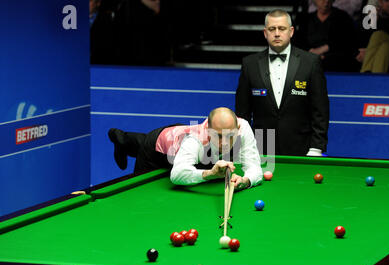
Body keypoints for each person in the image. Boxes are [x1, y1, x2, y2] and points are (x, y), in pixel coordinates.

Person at [235, 9, 330, 156]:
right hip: (260, 147)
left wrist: (316, 147)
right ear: (265, 33)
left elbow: (320, 110)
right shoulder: (250, 64)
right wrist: (242, 148)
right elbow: (242, 113)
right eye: (272, 29)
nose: (277, 33)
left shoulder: (310, 62)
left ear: (291, 31)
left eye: (282, 28)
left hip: (302, 147)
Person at [108, 107, 263, 190]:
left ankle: (123, 139)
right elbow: (176, 175)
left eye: (230, 136)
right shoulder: (194, 141)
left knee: (195, 157)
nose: (224, 143)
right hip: (157, 148)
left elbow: (255, 167)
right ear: (208, 130)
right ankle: (121, 139)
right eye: (218, 136)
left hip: (178, 134)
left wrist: (246, 181)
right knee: (140, 190)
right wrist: (211, 173)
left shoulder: (244, 128)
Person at [296, 0, 360, 72]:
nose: (326, 2)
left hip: (335, 61)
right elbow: (299, 42)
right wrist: (311, 52)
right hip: (309, 59)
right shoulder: (306, 19)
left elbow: (347, 43)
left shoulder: (342, 18)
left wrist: (324, 50)